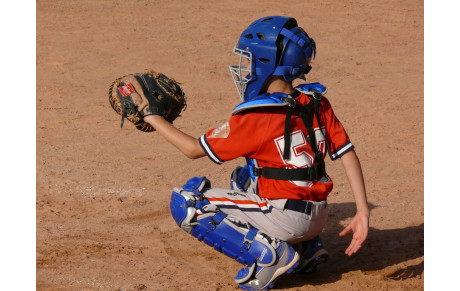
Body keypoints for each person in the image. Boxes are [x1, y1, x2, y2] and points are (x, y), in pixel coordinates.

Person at [145, 16, 369, 290]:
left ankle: (272, 257)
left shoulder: (258, 116)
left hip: (287, 218)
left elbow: (193, 149)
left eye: (250, 60)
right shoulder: (317, 101)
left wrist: (152, 117)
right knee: (244, 177)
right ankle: (308, 249)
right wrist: (362, 212)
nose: (246, 68)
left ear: (267, 63)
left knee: (188, 203)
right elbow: (347, 154)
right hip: (318, 216)